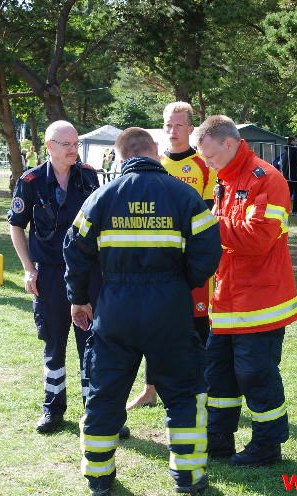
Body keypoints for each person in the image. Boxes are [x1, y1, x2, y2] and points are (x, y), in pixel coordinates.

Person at [64, 127, 221, 496]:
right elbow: (209, 249)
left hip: (115, 307)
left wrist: (79, 297)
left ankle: (99, 477)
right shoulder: (183, 195)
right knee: (183, 392)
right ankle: (188, 475)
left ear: (119, 157)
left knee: (105, 392)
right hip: (170, 307)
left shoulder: (101, 197)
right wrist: (181, 280)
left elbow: (74, 249)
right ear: (155, 150)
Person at [193, 115, 297, 467]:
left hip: (261, 301)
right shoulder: (225, 179)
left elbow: (257, 238)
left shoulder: (267, 178)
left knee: (256, 374)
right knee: (219, 374)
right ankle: (219, 438)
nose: (206, 164)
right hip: (226, 298)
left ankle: (268, 445)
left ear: (228, 143)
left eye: (208, 156)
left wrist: (208, 223)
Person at [8, 121, 116, 435]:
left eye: (76, 143)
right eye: (67, 144)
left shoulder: (88, 175)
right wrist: (28, 268)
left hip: (86, 272)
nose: (73, 149)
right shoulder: (30, 181)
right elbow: (17, 224)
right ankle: (52, 408)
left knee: (91, 343)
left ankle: (94, 411)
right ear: (49, 146)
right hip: (50, 272)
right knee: (53, 341)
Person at [127, 101, 217, 410]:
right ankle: (150, 390)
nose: (172, 130)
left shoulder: (204, 166)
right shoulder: (155, 163)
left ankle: (202, 391)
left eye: (179, 125)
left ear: (191, 129)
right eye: (168, 124)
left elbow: (207, 216)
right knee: (155, 326)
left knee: (197, 327)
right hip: (158, 264)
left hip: (191, 264)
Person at [282, 136, 297, 216]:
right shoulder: (293, 149)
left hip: (287, 175)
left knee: (289, 193)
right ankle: (295, 211)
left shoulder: (286, 150)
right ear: (292, 141)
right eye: (295, 141)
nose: (296, 142)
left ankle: (284, 210)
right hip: (293, 175)